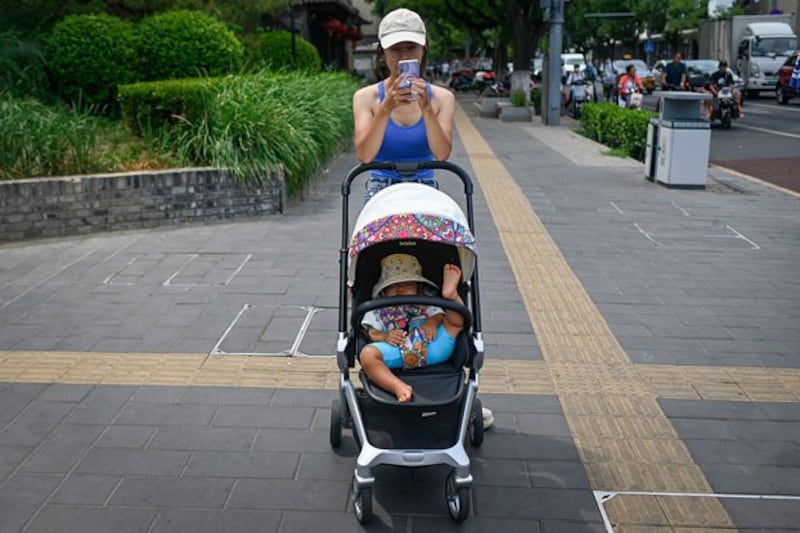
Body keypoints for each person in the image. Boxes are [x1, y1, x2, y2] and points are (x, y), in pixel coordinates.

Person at [352, 8, 456, 205]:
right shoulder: (366, 98)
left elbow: (442, 154)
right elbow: (365, 155)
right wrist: (385, 109)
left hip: (425, 187)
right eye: (395, 49)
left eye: (411, 47)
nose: (403, 56)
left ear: (423, 50)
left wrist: (426, 109)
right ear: (383, 54)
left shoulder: (442, 98)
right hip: (380, 190)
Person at [359, 254, 464, 403]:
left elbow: (439, 315)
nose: (400, 289)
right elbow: (372, 332)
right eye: (393, 285)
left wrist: (432, 323)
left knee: (455, 323)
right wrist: (385, 336)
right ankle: (397, 386)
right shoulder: (378, 309)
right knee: (368, 355)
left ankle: (451, 295)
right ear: (384, 290)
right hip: (397, 351)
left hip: (431, 345)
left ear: (418, 287)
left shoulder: (425, 301)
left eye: (407, 284)